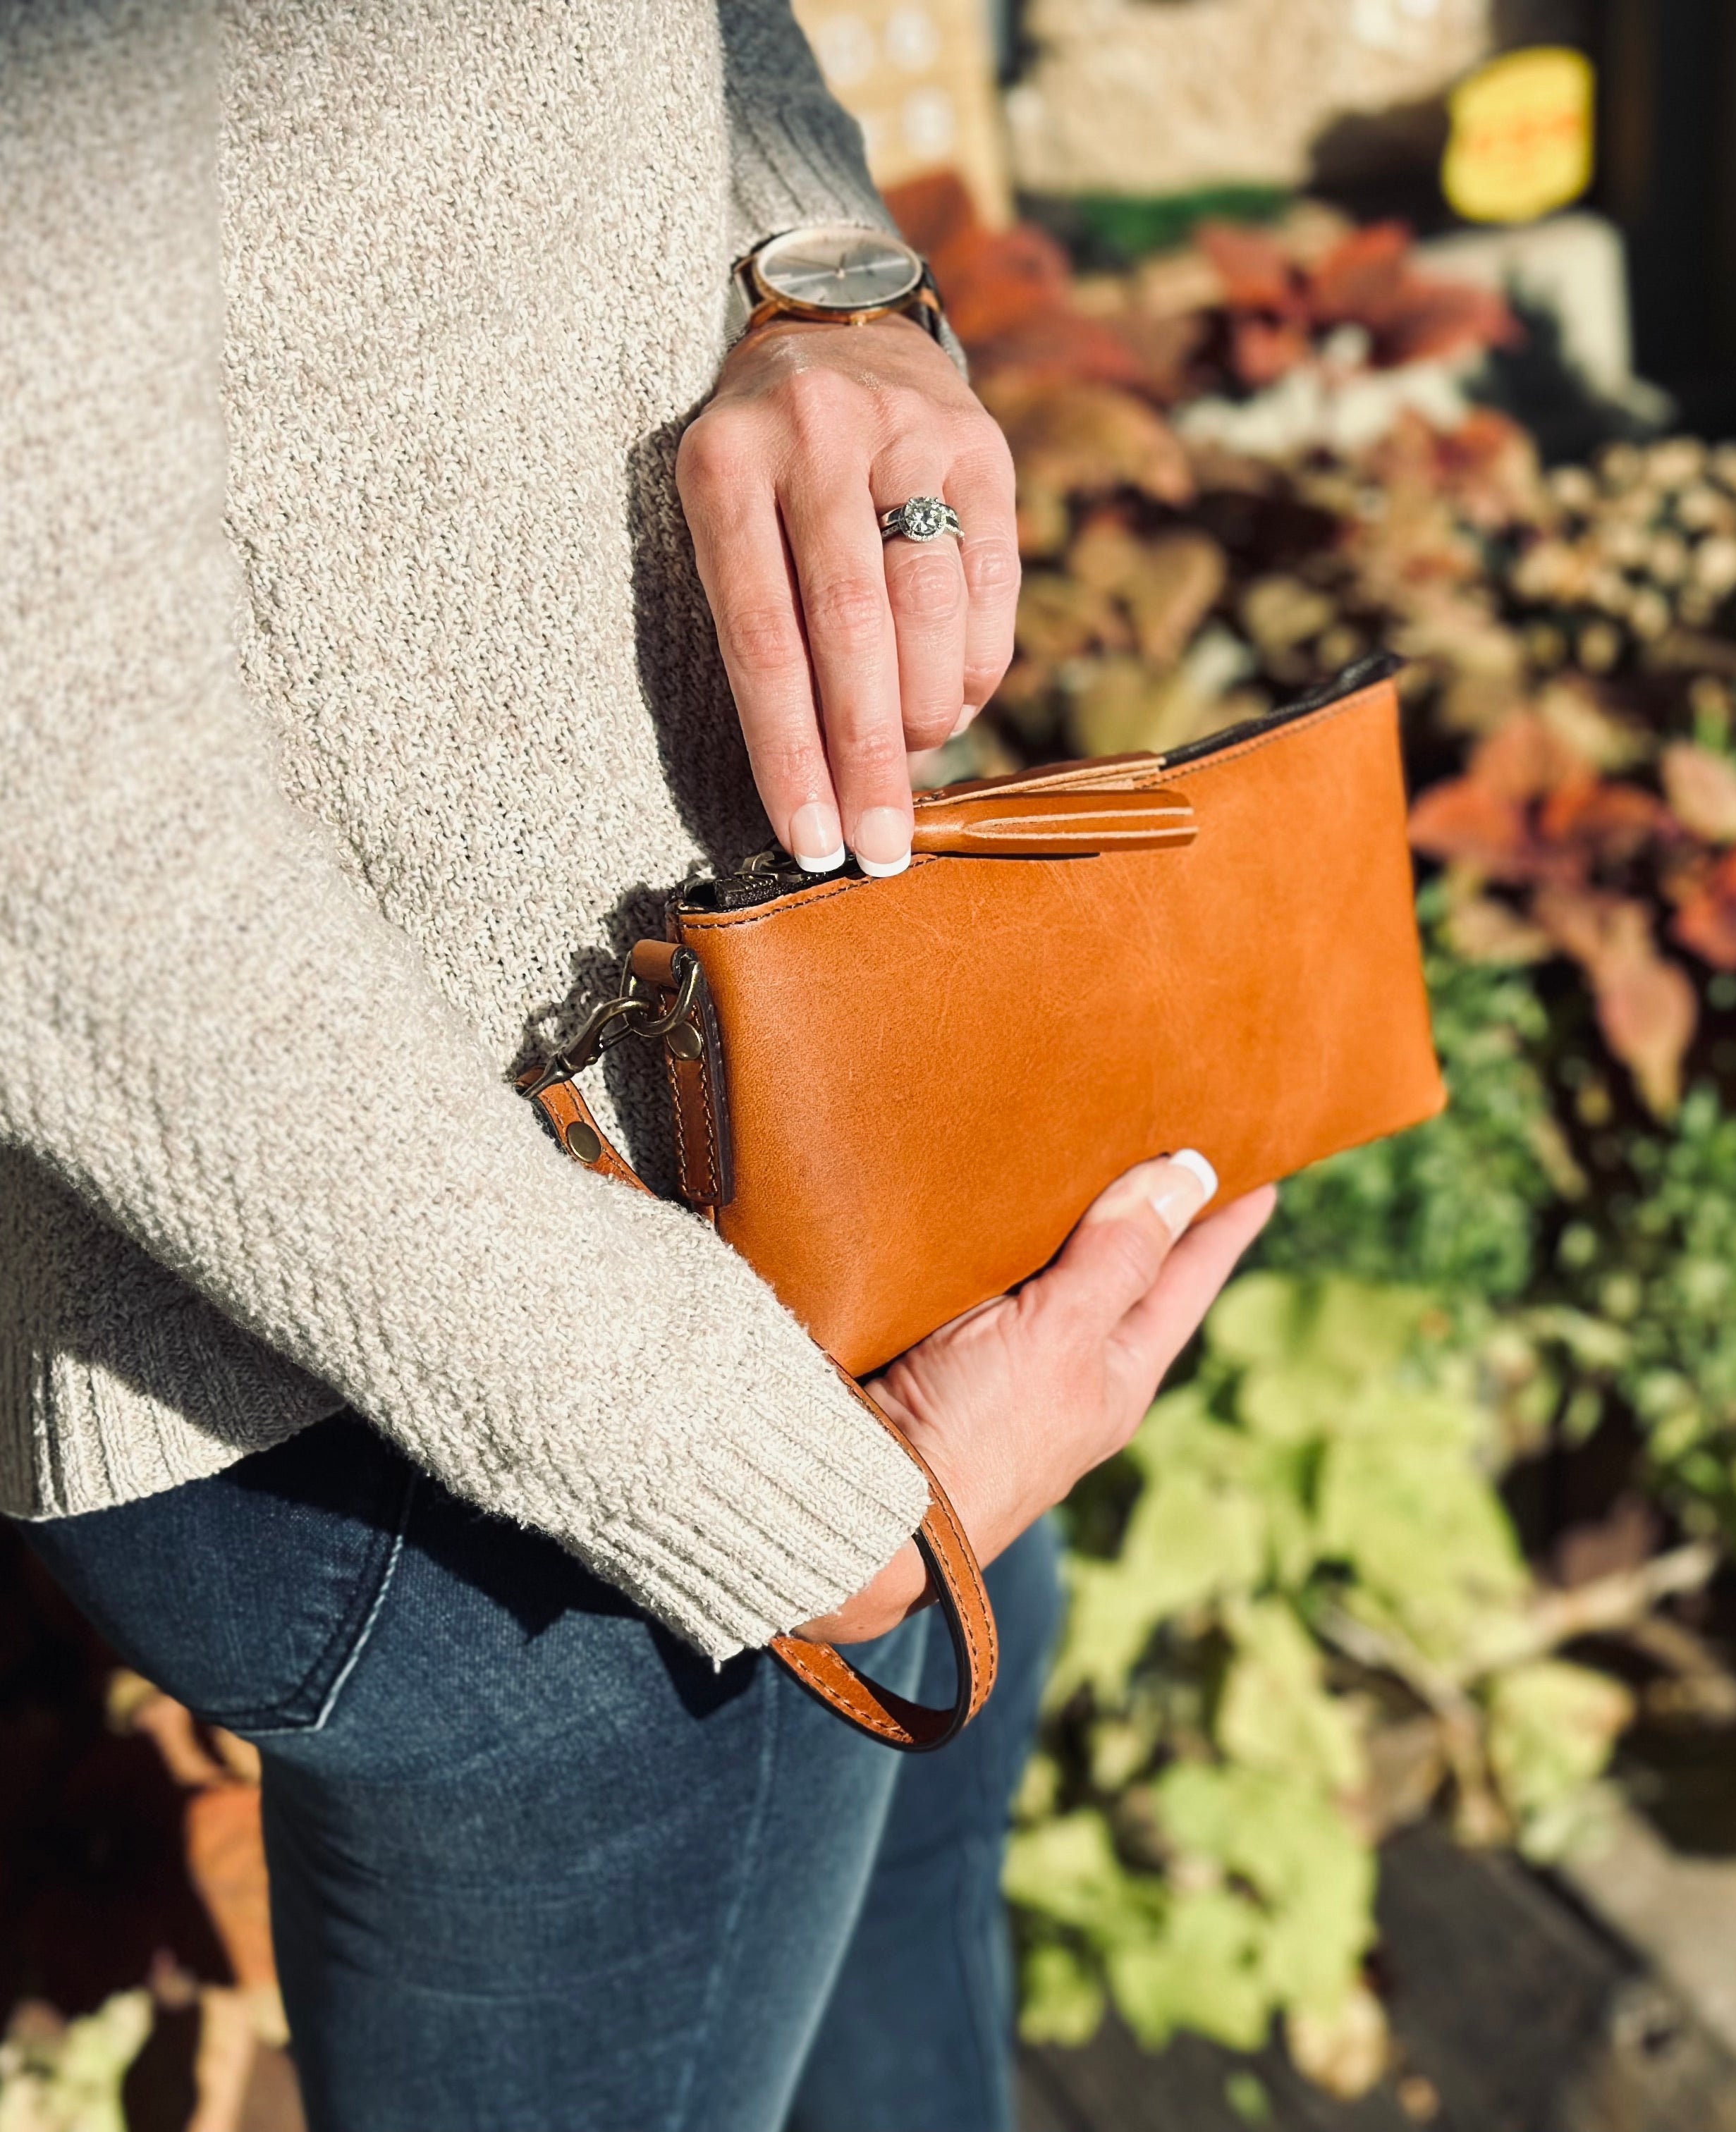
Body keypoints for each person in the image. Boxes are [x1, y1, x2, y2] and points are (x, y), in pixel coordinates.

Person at [0, 5, 1274, 2127]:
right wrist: (797, 1510)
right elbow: (54, 801)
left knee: (915, 1925)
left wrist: (813, 275)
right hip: (468, 1400)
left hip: (821, 1136)